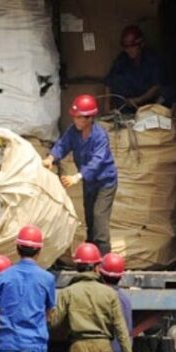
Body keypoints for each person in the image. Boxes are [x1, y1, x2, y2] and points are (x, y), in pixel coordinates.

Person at [42, 94, 118, 255]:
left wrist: (76, 177)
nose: (76, 121)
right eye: (75, 117)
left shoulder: (100, 136)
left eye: (80, 118)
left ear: (90, 118)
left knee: (99, 218)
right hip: (89, 182)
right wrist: (51, 158)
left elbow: (97, 161)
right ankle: (90, 256)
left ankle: (104, 257)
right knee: (90, 218)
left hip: (105, 182)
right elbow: (62, 146)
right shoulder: (73, 132)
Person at [104, 24, 172, 112]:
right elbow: (109, 83)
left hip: (149, 105)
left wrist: (138, 100)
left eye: (132, 46)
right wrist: (106, 110)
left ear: (141, 44)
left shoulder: (152, 59)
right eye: (126, 47)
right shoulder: (122, 59)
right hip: (128, 106)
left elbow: (157, 86)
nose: (129, 50)